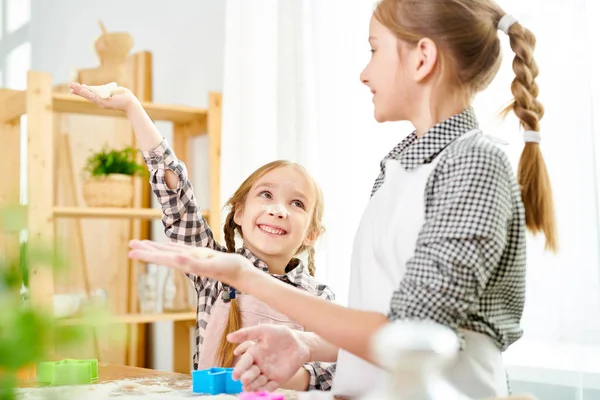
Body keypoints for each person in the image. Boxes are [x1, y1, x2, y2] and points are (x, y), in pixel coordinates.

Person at [127, 0, 557, 397]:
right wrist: (306, 343)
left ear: (422, 58)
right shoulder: (397, 168)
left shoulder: (474, 166)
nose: (364, 73)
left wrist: (250, 279)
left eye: (374, 50)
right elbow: (381, 322)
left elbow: (412, 333)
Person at [68, 82, 337, 392]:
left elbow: (339, 369)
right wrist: (133, 108)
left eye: (297, 203)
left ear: (312, 234)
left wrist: (289, 376)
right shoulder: (216, 270)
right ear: (238, 212)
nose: (278, 210)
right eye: (266, 195)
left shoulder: (320, 297)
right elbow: (178, 200)